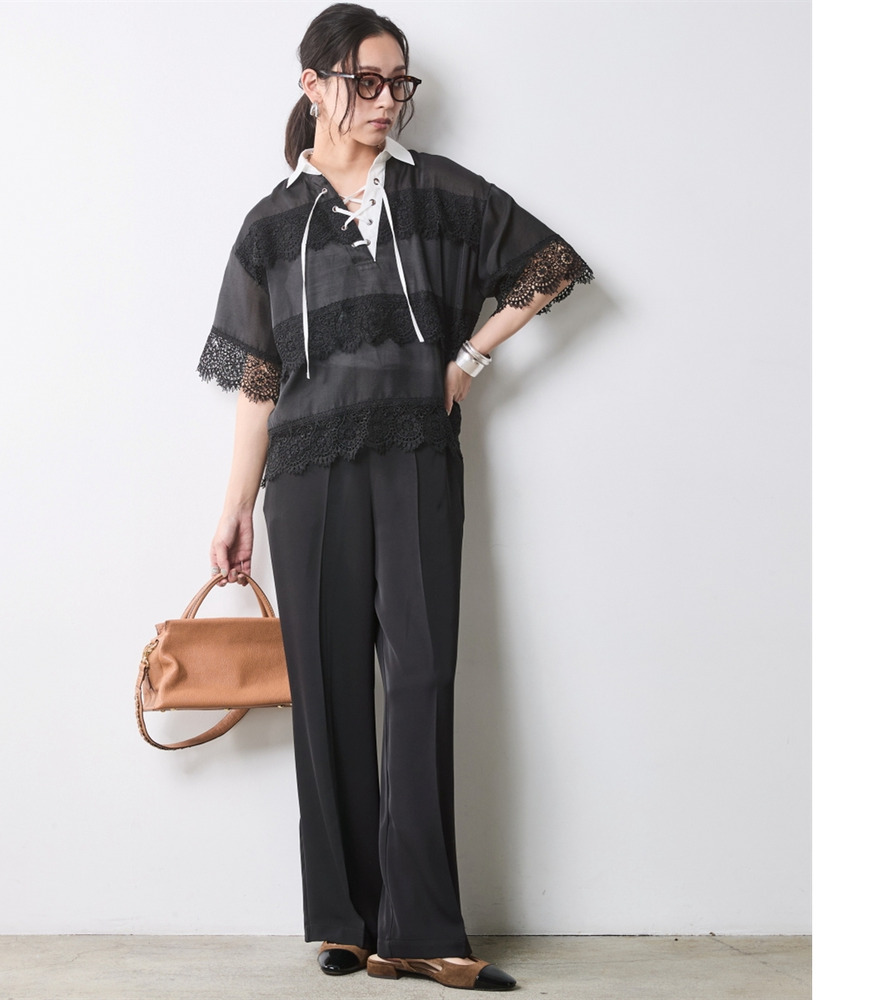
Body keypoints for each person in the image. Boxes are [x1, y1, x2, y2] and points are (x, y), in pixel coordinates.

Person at [199, 3, 593, 991]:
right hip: (304, 474)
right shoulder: (270, 223)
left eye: (397, 83)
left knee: (420, 677)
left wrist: (466, 360)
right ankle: (344, 920)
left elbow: (549, 264)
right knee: (326, 686)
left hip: (416, 454)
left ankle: (421, 930)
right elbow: (257, 383)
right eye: (365, 81)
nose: (385, 101)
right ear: (313, 85)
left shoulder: (441, 193)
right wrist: (234, 505)